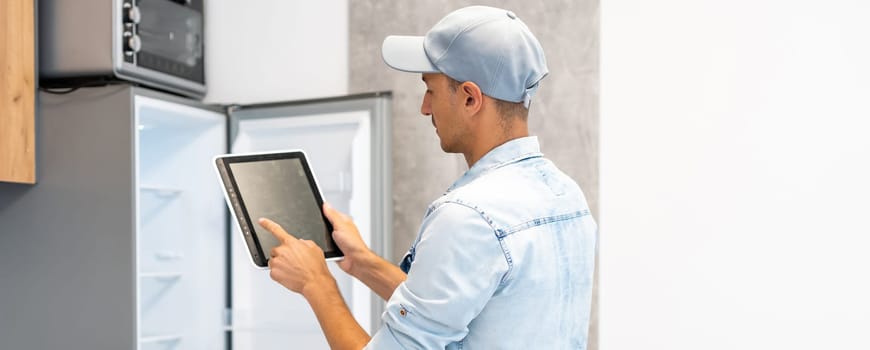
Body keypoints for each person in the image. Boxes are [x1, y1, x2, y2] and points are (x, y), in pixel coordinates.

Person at [258, 5, 598, 349]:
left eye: (430, 89)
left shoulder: (469, 216)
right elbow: (462, 307)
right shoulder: (566, 195)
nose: (424, 107)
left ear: (469, 98)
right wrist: (364, 263)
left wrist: (316, 282)